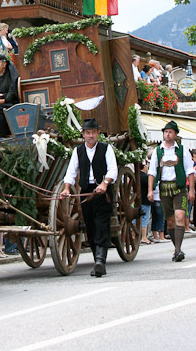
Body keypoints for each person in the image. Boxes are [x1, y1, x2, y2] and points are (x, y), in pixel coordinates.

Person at [61, 117, 118, 277]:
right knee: (91, 227)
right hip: (86, 192)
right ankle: (97, 261)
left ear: (98, 133)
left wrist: (105, 183)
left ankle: (100, 261)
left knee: (102, 225)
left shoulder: (106, 148)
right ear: (83, 134)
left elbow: (113, 169)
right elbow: (71, 171)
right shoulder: (78, 151)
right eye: (88, 133)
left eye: (93, 132)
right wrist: (66, 188)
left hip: (103, 193)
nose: (91, 135)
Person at [147, 120, 195, 262]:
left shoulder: (182, 150)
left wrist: (191, 190)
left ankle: (178, 249)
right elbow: (152, 171)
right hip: (164, 188)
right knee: (170, 221)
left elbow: (190, 171)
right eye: (166, 132)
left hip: (179, 188)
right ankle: (177, 248)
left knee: (180, 216)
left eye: (170, 132)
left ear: (175, 134)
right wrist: (150, 190)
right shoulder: (157, 151)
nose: (167, 134)